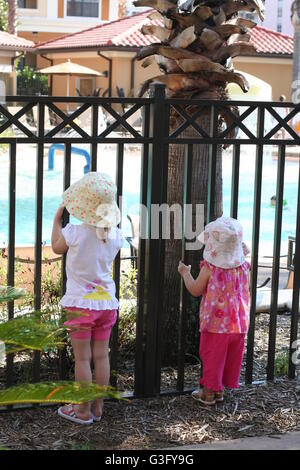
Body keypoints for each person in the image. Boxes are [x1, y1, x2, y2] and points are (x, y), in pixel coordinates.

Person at [51, 172, 123, 425]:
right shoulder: (114, 235)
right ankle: (98, 406)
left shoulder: (75, 232)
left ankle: (81, 411)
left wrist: (56, 220)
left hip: (80, 305)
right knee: (102, 356)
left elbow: (56, 247)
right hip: (106, 304)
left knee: (82, 359)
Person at [178, 216, 251, 406]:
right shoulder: (244, 267)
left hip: (215, 324)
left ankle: (208, 394)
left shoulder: (210, 268)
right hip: (238, 323)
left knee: (213, 357)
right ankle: (219, 392)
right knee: (228, 357)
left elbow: (195, 289)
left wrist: (185, 273)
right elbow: (245, 288)